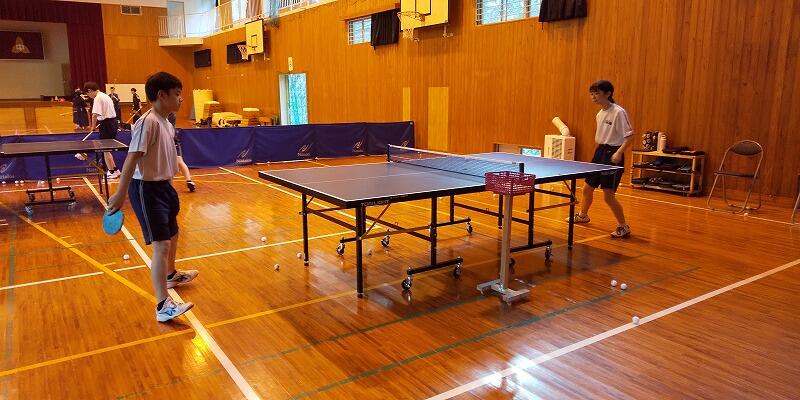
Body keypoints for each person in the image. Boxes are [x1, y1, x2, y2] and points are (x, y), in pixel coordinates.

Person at [107, 72, 198, 322]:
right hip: (146, 189)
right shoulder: (147, 123)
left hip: (164, 187)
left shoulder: (166, 122)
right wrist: (120, 193)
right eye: (177, 94)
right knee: (161, 244)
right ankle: (162, 306)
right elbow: (132, 159)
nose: (181, 99)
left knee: (173, 233)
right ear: (162, 95)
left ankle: (170, 275)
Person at [568, 80, 632, 238]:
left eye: (597, 93)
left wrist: (619, 153)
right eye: (591, 94)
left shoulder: (618, 112)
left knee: (608, 196)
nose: (593, 97)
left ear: (608, 93)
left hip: (613, 154)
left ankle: (623, 226)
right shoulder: (599, 113)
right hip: (600, 152)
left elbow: (630, 136)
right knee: (587, 188)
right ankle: (583, 216)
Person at [84, 82, 120, 178]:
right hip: (111, 123)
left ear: (89, 91)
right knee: (107, 149)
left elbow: (94, 114)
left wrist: (92, 127)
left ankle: (111, 172)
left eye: (87, 94)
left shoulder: (98, 98)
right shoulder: (105, 96)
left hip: (107, 125)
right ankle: (115, 170)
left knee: (105, 149)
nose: (89, 96)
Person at [168, 112, 196, 192]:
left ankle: (169, 187)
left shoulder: (167, 115)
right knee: (180, 161)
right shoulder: (170, 114)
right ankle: (189, 180)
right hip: (173, 139)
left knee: (170, 164)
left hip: (169, 139)